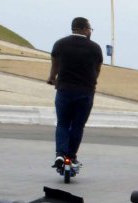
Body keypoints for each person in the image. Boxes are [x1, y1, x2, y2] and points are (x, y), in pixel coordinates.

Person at [47, 17, 103, 171]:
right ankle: (71, 156)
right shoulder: (95, 48)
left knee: (63, 123)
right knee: (78, 125)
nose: (90, 31)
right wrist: (92, 82)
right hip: (85, 92)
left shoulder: (60, 44)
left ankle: (60, 154)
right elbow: (97, 69)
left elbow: (55, 65)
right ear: (85, 29)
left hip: (64, 90)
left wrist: (52, 78)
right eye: (90, 29)